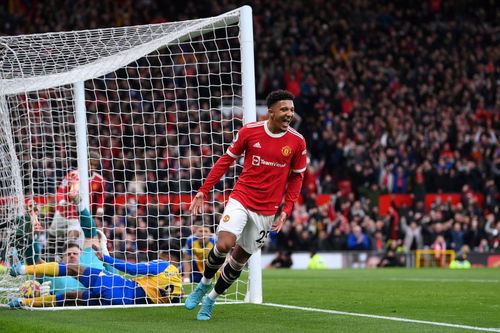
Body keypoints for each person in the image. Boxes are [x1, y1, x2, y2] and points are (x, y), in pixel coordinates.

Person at [185, 89, 307, 320]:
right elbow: (225, 161)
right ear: (270, 112)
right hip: (241, 197)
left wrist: (287, 210)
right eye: (284, 109)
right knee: (224, 244)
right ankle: (203, 283)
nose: (289, 114)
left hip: (267, 210)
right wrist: (203, 190)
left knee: (239, 259)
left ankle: (210, 300)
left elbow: (297, 177)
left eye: (291, 109)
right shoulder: (250, 132)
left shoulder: (297, 142)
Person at [8, 243, 182, 307]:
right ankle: (23, 302)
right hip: (124, 302)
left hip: (121, 288)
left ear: (168, 257)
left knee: (72, 269)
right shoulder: (178, 287)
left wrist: (106, 258)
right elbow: (173, 303)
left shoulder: (163, 265)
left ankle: (21, 269)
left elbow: (133, 269)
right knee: (72, 298)